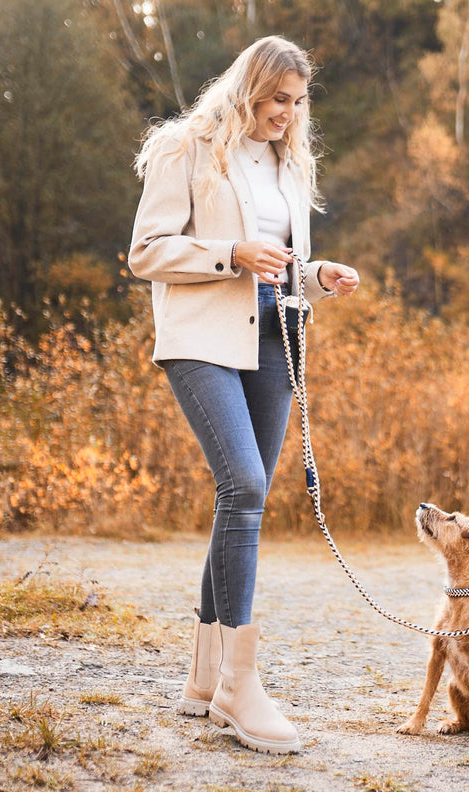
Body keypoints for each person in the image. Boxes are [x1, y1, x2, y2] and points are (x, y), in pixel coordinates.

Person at [128, 35, 359, 755]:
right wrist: (231, 256)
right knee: (247, 485)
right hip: (201, 340)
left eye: (296, 104)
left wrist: (318, 276)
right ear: (245, 90)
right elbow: (146, 251)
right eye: (275, 101)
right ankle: (238, 687)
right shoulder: (183, 148)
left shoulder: (290, 162)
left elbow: (280, 262)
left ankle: (203, 680)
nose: (286, 116)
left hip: (272, 339)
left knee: (242, 499)